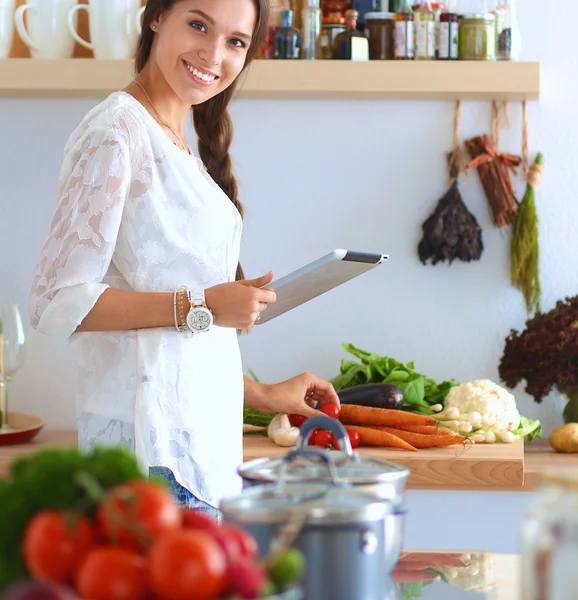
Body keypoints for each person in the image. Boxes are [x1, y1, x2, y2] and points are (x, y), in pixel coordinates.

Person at [28, 0, 339, 517]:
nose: (213, 53)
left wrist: (261, 394)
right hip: (152, 465)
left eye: (235, 42)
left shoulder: (174, 141)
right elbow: (54, 302)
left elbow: (164, 353)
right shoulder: (117, 134)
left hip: (197, 456)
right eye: (198, 25)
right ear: (156, 18)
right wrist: (204, 305)